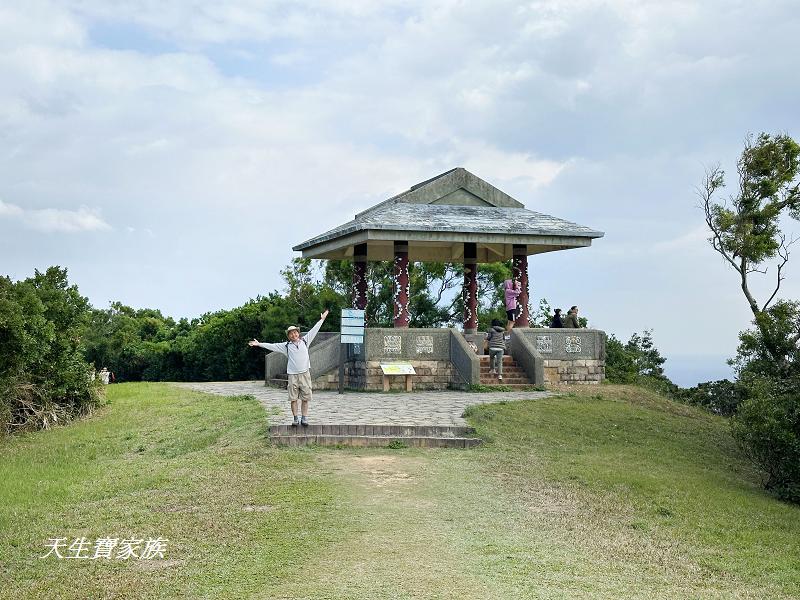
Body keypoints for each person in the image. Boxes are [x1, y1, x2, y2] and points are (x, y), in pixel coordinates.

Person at [249, 309, 329, 427]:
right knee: (293, 398)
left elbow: (314, 330)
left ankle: (304, 418)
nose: (294, 334)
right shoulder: (286, 346)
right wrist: (259, 344)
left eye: (295, 332)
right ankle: (295, 418)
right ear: (288, 335)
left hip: (305, 373)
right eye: (291, 333)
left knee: (306, 397)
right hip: (293, 375)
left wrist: (322, 319)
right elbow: (273, 346)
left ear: (298, 333)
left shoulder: (305, 341)